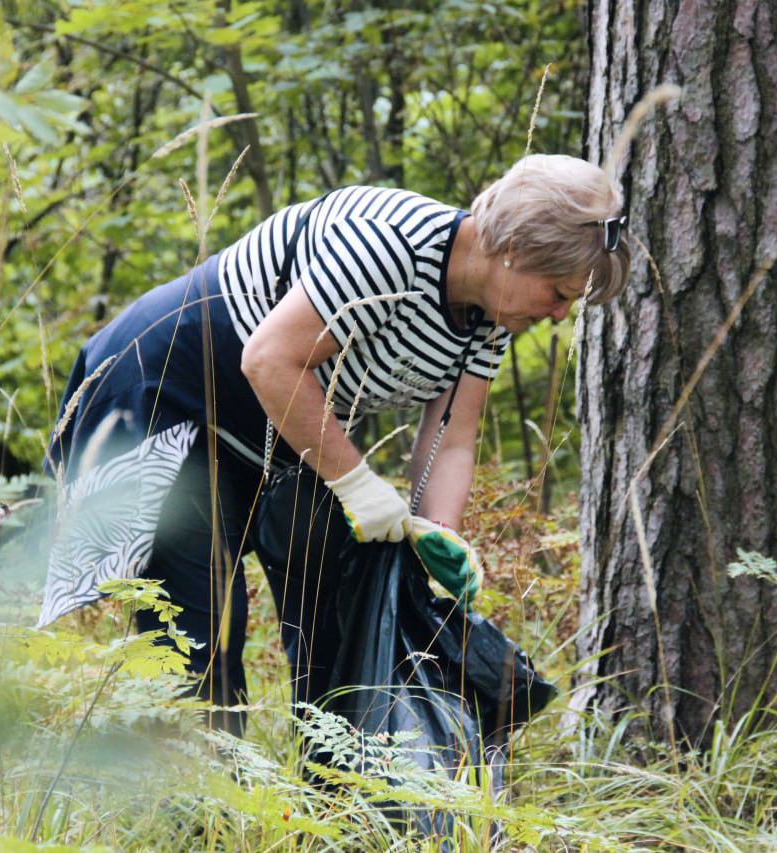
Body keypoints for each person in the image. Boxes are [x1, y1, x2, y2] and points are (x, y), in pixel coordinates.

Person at [39, 153, 630, 734]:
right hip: (174, 395)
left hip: (282, 427)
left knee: (340, 615)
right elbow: (269, 359)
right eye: (558, 291)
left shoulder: (488, 316)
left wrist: (437, 539)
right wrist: (358, 487)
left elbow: (452, 435)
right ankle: (198, 817)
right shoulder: (391, 244)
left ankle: (337, 807)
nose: (559, 314)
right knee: (202, 627)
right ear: (514, 251)